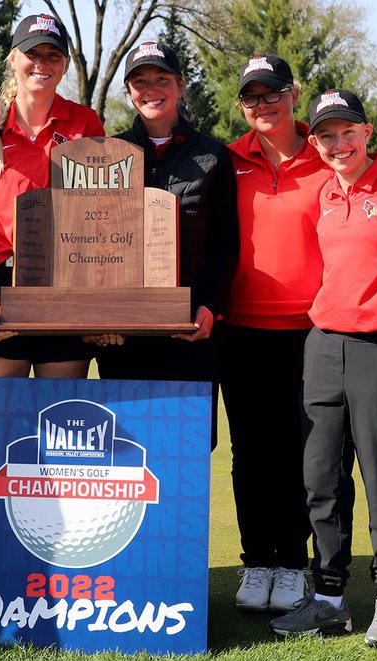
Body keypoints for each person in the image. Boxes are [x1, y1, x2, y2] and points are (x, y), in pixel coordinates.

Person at [268, 89, 377, 647]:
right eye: (326, 134)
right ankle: (329, 597)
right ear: (315, 141)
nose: (338, 143)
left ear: (368, 131)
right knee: (321, 478)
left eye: (347, 131)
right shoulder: (324, 192)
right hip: (323, 342)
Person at [221, 54, 333, 613]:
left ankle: (292, 562)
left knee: (299, 452)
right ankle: (256, 561)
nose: (262, 106)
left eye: (272, 95)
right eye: (251, 97)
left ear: (294, 95)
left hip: (310, 331)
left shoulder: (327, 156)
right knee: (251, 452)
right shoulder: (229, 158)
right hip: (238, 328)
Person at [94, 41, 238, 440]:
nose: (151, 88)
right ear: (129, 90)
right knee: (124, 448)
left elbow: (227, 244)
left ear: (180, 84)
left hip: (190, 329)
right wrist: (97, 316)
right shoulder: (109, 153)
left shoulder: (213, 155)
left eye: (161, 78)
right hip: (123, 335)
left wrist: (210, 306)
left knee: (186, 447)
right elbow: (95, 243)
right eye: (140, 81)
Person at [0, 13, 105, 378]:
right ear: (12, 58)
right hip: (1, 288)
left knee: (59, 424)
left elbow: (98, 221)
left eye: (52, 55)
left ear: (66, 64)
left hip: (65, 289)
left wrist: (94, 303)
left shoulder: (85, 122)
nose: (41, 64)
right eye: (31, 53)